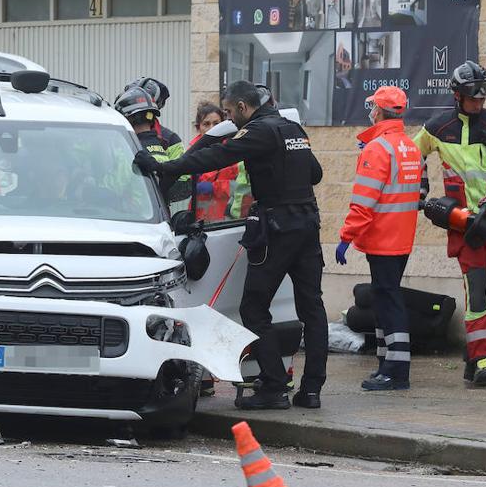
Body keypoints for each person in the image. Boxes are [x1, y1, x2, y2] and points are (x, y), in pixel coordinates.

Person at [134, 80, 327, 411]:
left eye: (228, 110)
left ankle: (274, 387)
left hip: (278, 229)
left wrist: (163, 168)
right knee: (313, 307)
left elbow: (214, 157)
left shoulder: (257, 131)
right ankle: (311, 391)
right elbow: (316, 173)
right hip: (308, 226)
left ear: (242, 107)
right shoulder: (292, 129)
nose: (228, 117)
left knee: (253, 307)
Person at [413, 60, 486, 387]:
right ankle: (483, 358)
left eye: (483, 96)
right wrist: (421, 190)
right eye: (474, 97)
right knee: (477, 294)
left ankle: (476, 356)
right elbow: (413, 154)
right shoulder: (438, 127)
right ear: (457, 96)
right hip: (463, 224)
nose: (480, 102)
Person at [335, 87, 422, 390]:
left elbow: (364, 201)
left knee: (388, 302)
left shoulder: (378, 149)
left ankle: (396, 371)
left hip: (384, 238)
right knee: (387, 299)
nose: (370, 112)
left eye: (373, 107)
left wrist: (347, 236)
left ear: (380, 111)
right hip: (401, 238)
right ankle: (386, 364)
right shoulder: (410, 147)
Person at [115, 85, 190, 207]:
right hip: (161, 218)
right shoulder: (163, 149)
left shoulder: (128, 151)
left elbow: (116, 187)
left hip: (136, 217)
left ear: (127, 118)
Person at [189, 102, 240, 222]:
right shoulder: (190, 153)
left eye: (216, 124)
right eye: (206, 124)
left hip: (223, 219)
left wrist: (213, 187)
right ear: (198, 127)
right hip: (196, 219)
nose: (212, 128)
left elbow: (238, 187)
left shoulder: (232, 152)